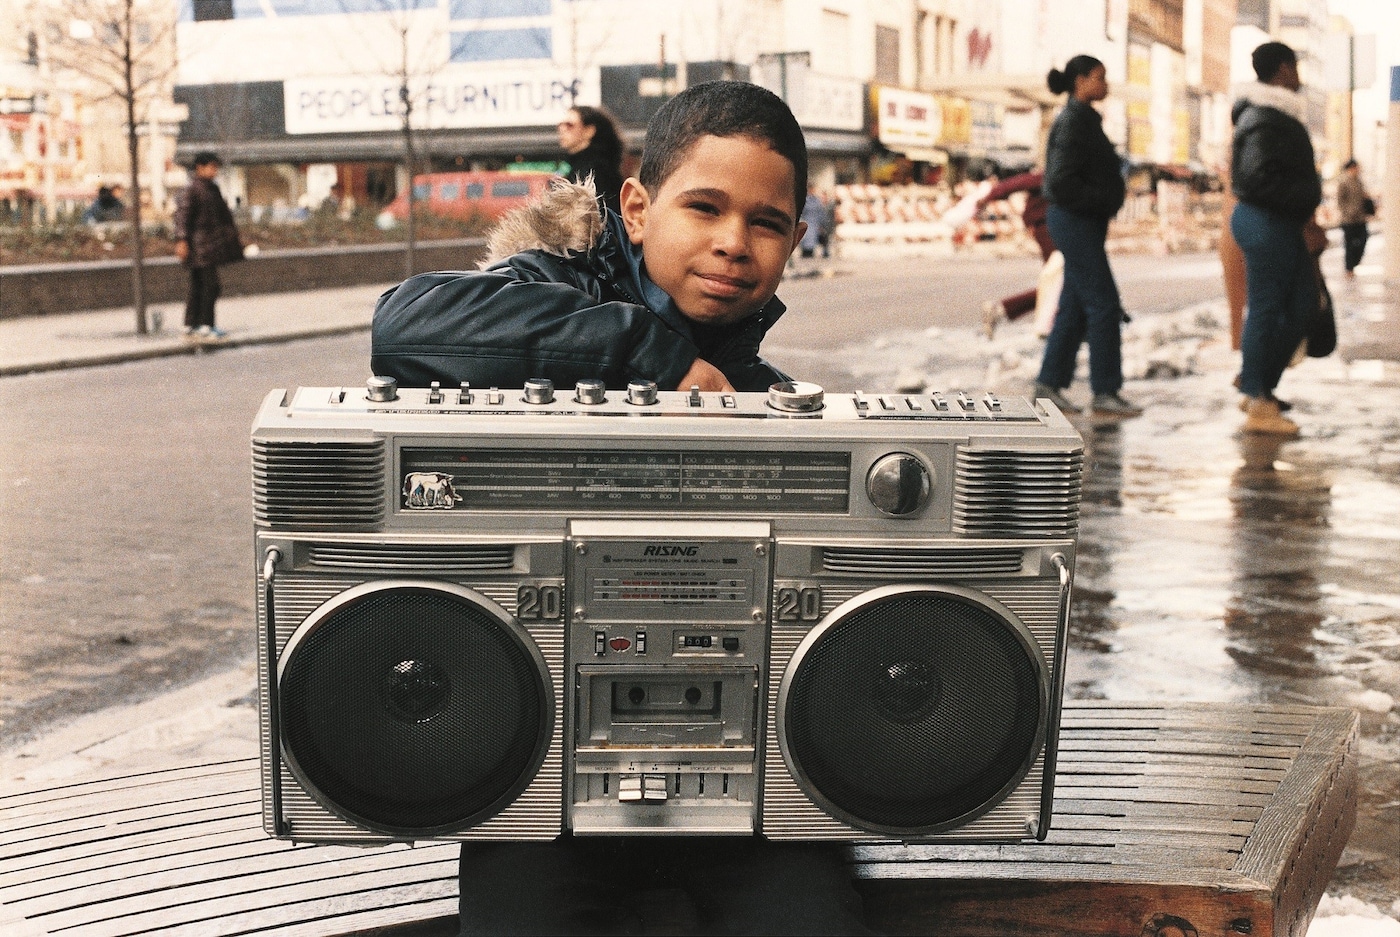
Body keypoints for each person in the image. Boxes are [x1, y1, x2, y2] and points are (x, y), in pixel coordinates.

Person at [373, 81, 806, 396]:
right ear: (637, 213)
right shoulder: (561, 282)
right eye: (705, 208)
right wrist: (650, 354)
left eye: (767, 224)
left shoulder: (765, 395)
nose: (734, 243)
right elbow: (402, 325)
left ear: (793, 242)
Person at [1033, 56, 1140, 417]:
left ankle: (1048, 385)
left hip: (1082, 221)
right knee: (1104, 304)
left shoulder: (1083, 119)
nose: (1105, 84)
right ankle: (1105, 391)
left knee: (1076, 306)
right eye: (1099, 77)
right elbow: (1061, 181)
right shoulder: (1073, 122)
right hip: (1075, 220)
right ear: (1080, 81)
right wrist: (1102, 200)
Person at [1229, 42, 1322, 437]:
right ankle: (1257, 398)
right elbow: (1256, 178)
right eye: (1295, 66)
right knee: (1267, 309)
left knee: (1303, 305)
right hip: (1267, 221)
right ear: (1283, 68)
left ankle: (1258, 383)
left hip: (1279, 221)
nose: (1299, 74)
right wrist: (1301, 204)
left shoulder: (1275, 114)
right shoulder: (1264, 117)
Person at [172, 152, 244, 342]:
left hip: (206, 245)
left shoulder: (210, 189)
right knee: (209, 286)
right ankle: (205, 325)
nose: (214, 171)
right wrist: (182, 240)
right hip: (201, 247)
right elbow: (182, 216)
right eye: (211, 167)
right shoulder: (193, 190)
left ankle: (191, 325)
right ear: (200, 168)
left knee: (199, 285)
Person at [977, 170, 1053, 337]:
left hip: (1052, 225)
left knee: (1063, 280)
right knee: (1062, 280)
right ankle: (1001, 310)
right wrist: (990, 196)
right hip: (1048, 226)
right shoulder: (1057, 172)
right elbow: (1019, 183)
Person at [558, 104, 626, 215]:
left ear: (589, 131)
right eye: (560, 125)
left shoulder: (597, 170)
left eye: (569, 125)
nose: (562, 129)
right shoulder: (572, 166)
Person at [1336, 158, 1374, 278]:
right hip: (1348, 219)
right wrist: (1347, 211)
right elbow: (1340, 200)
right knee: (1349, 244)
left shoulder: (1359, 181)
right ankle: (1349, 268)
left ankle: (1354, 262)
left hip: (1360, 218)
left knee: (1363, 239)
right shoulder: (1343, 182)